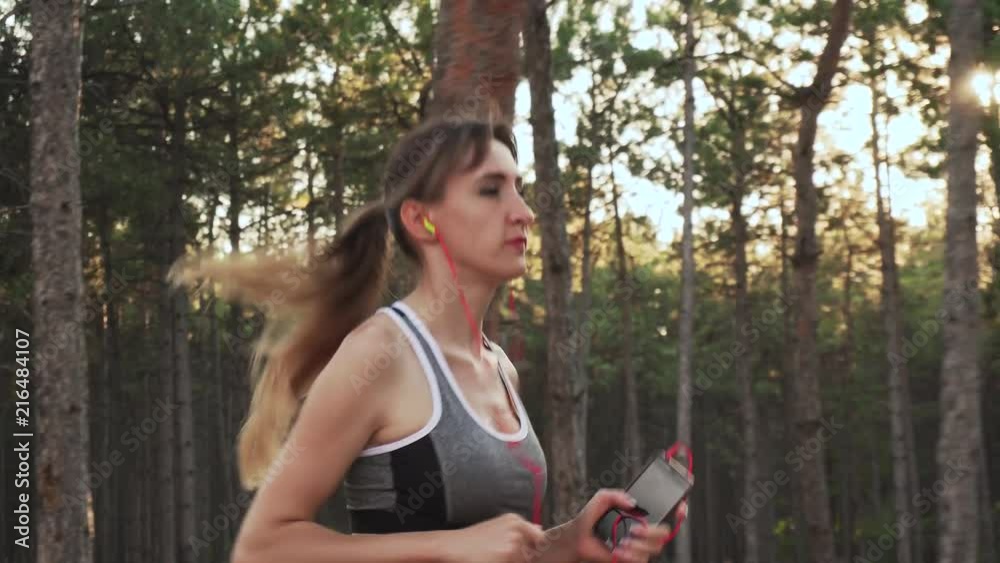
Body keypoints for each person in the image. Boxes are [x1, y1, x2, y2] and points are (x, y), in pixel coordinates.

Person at [171, 117, 677, 563]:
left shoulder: (500, 367)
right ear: (421, 219)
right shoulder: (380, 353)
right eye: (491, 190)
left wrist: (569, 541)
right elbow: (262, 547)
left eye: (519, 189)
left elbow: (491, 550)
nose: (524, 211)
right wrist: (447, 547)